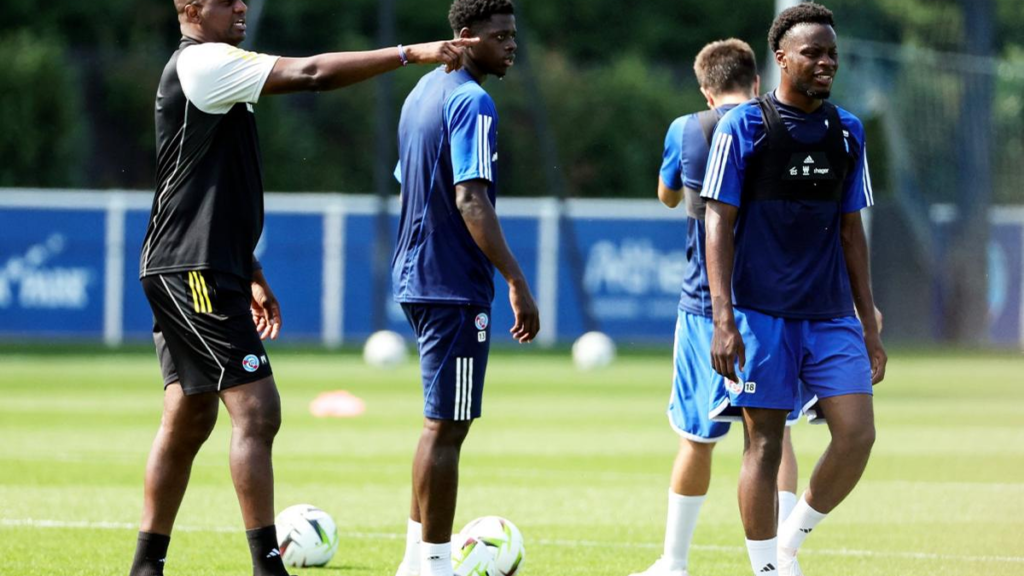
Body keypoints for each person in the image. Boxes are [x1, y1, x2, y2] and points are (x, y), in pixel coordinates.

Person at [130, 2, 475, 575]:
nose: (241, 5)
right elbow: (313, 73)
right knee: (258, 411)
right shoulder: (205, 62)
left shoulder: (214, 67)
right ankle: (269, 566)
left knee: (191, 413)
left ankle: (147, 566)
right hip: (191, 268)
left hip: (200, 263)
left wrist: (250, 269)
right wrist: (411, 53)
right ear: (192, 7)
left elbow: (211, 188)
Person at [701, 4, 887, 576]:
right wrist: (724, 319)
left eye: (832, 52)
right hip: (762, 314)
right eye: (813, 52)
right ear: (782, 58)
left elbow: (852, 231)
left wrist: (868, 317)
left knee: (856, 436)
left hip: (831, 314)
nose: (826, 62)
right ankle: (764, 569)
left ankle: (789, 541)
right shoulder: (742, 127)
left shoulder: (848, 131)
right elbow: (717, 222)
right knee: (765, 444)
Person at [629, 39, 805, 576]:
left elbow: (666, 194)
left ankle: (674, 562)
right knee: (775, 436)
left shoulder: (689, 129)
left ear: (706, 89)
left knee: (696, 438)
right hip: (773, 305)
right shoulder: (780, 126)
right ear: (756, 82)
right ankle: (781, 559)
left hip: (707, 304)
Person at [390, 1, 540, 575]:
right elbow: (469, 196)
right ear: (464, 36)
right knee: (447, 428)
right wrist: (516, 280)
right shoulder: (472, 100)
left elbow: (407, 181)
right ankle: (433, 564)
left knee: (437, 423)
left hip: (419, 276)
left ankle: (415, 557)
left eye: (513, 35)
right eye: (499, 36)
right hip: (452, 284)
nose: (510, 45)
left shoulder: (421, 92)